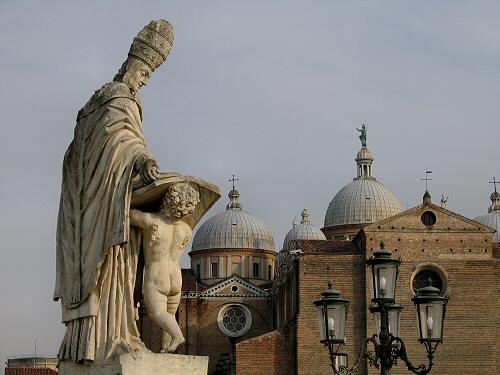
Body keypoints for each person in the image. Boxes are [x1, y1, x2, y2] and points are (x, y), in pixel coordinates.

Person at [54, 20, 174, 363]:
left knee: (114, 269)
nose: (144, 80)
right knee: (111, 267)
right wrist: (142, 160)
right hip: (103, 199)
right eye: (145, 73)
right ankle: (114, 336)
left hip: (95, 197)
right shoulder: (118, 99)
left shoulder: (97, 103)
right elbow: (123, 139)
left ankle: (97, 340)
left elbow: (84, 151)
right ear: (134, 65)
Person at [130, 182, 200, 353]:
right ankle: (166, 349)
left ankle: (177, 336)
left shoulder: (151, 221)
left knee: (157, 314)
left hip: (157, 274)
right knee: (170, 314)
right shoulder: (186, 229)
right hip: (176, 277)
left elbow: (128, 212)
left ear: (168, 199)